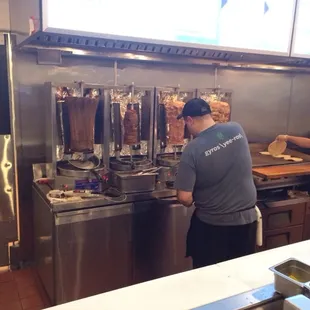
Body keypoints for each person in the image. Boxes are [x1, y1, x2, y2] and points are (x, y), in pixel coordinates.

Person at [174, 98, 257, 269]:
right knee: (239, 276)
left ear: (189, 120)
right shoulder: (236, 129)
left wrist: (192, 199)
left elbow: (184, 197)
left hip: (213, 228)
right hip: (247, 224)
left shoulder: (192, 149)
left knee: (209, 281)